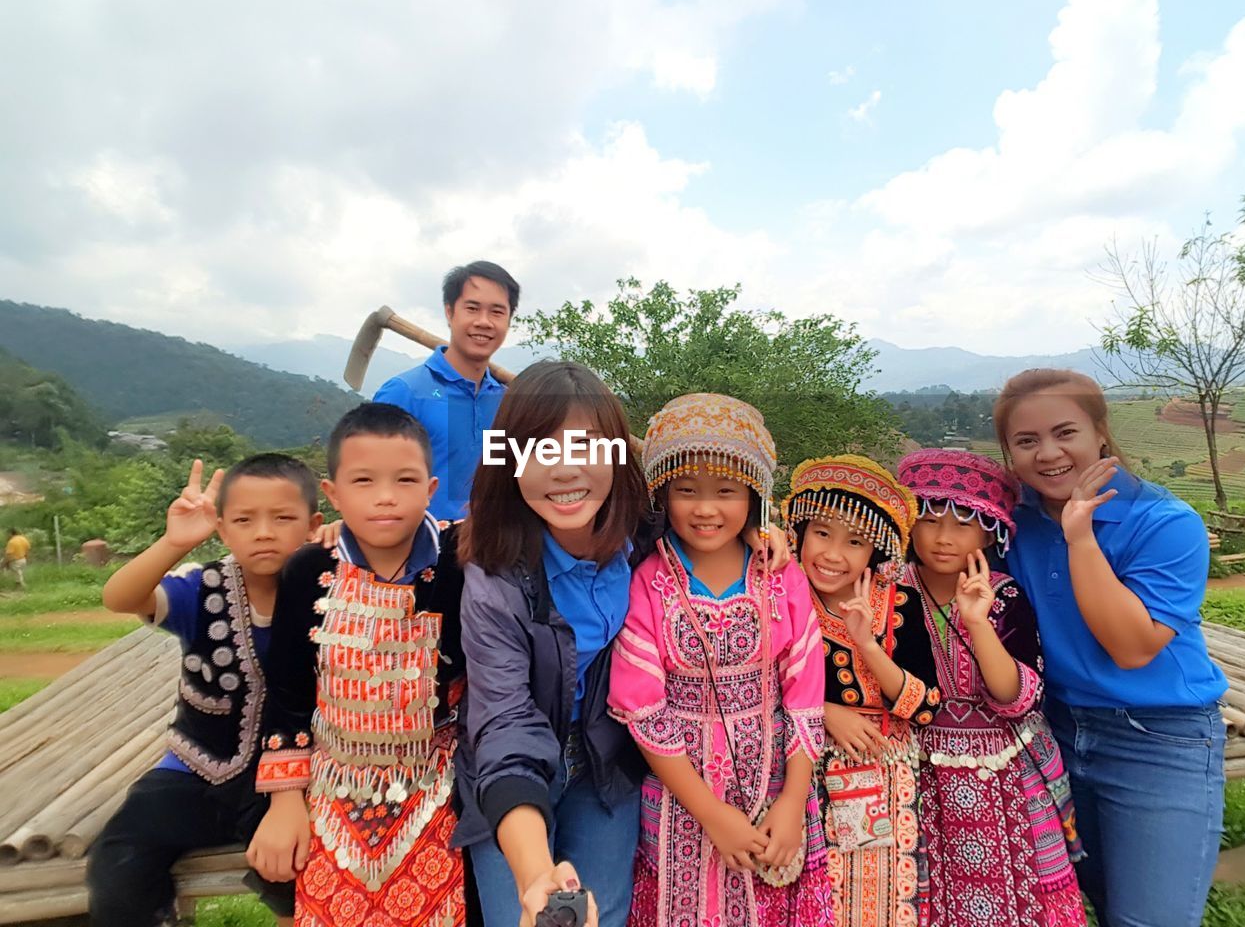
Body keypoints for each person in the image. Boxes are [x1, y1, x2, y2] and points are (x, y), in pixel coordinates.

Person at [453, 366, 793, 927]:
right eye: (539, 449)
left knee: (605, 915)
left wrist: (755, 527)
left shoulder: (644, 534)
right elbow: (505, 720)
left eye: (587, 447)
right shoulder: (496, 576)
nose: (565, 470)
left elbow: (710, 512)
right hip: (509, 775)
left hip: (607, 766)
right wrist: (537, 873)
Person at [995, 369, 1227, 927]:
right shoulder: (1013, 517)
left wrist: (1080, 535)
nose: (1048, 454)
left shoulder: (1165, 523)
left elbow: (1131, 646)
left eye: (1065, 432)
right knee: (1065, 905)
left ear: (1100, 432)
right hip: (1049, 732)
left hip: (1157, 738)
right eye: (1026, 441)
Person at [609, 393, 831, 927]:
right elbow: (643, 709)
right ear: (663, 493)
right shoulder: (648, 582)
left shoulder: (781, 576)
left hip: (777, 780)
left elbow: (804, 695)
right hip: (682, 794)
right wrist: (711, 814)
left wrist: (793, 802)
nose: (706, 509)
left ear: (753, 495)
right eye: (687, 491)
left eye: (726, 491)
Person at [247, 404, 471, 927]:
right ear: (333, 494)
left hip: (437, 782)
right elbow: (287, 693)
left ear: (431, 488)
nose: (386, 496)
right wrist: (285, 803)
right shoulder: (307, 571)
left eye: (405, 480)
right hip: (331, 783)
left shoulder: (461, 561)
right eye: (364, 481)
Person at [88, 453, 321, 927]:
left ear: (314, 525)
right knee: (119, 858)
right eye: (243, 519)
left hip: (293, 780)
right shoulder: (202, 588)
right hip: (194, 768)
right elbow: (120, 598)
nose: (263, 532)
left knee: (305, 868)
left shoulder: (331, 591)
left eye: (283, 518)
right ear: (221, 528)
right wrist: (173, 543)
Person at [896, 448, 1086, 927]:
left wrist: (978, 622)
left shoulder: (1004, 596)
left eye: (963, 524)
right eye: (928, 520)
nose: (941, 538)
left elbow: (1015, 697)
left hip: (1007, 776)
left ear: (991, 529)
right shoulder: (883, 590)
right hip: (916, 773)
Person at [780, 455, 940, 927]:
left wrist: (867, 643)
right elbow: (760, 685)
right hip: (797, 767)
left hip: (883, 772)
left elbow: (924, 705)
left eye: (855, 542)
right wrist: (826, 710)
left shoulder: (900, 604)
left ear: (875, 554)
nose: (832, 554)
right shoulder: (779, 595)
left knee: (873, 901)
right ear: (800, 533)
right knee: (804, 894)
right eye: (822, 534)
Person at [374, 260, 519, 521]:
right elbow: (370, 482)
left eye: (497, 312)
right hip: (424, 553)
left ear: (509, 321)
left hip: (494, 552)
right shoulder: (404, 394)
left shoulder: (508, 402)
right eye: (472, 308)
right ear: (450, 312)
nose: (484, 322)